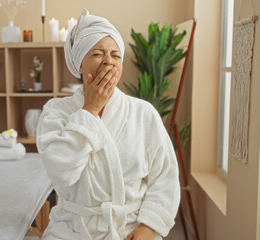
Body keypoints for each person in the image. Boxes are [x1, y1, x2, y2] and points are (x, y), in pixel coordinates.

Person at [36, 9, 180, 240]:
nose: (108, 61)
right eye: (97, 53)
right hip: (72, 230)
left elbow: (164, 176)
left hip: (129, 229)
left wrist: (148, 227)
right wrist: (90, 110)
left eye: (115, 55)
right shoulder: (56, 112)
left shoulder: (143, 113)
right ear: (79, 64)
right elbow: (61, 172)